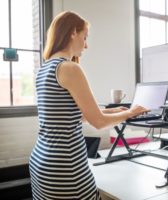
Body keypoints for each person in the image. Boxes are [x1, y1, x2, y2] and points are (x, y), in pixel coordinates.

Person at [29, 11, 148, 200]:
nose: (86, 45)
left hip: (42, 162)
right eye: (85, 37)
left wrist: (113, 110)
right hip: (65, 166)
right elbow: (98, 122)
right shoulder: (69, 68)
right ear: (72, 33)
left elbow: (73, 114)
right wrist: (130, 113)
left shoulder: (44, 69)